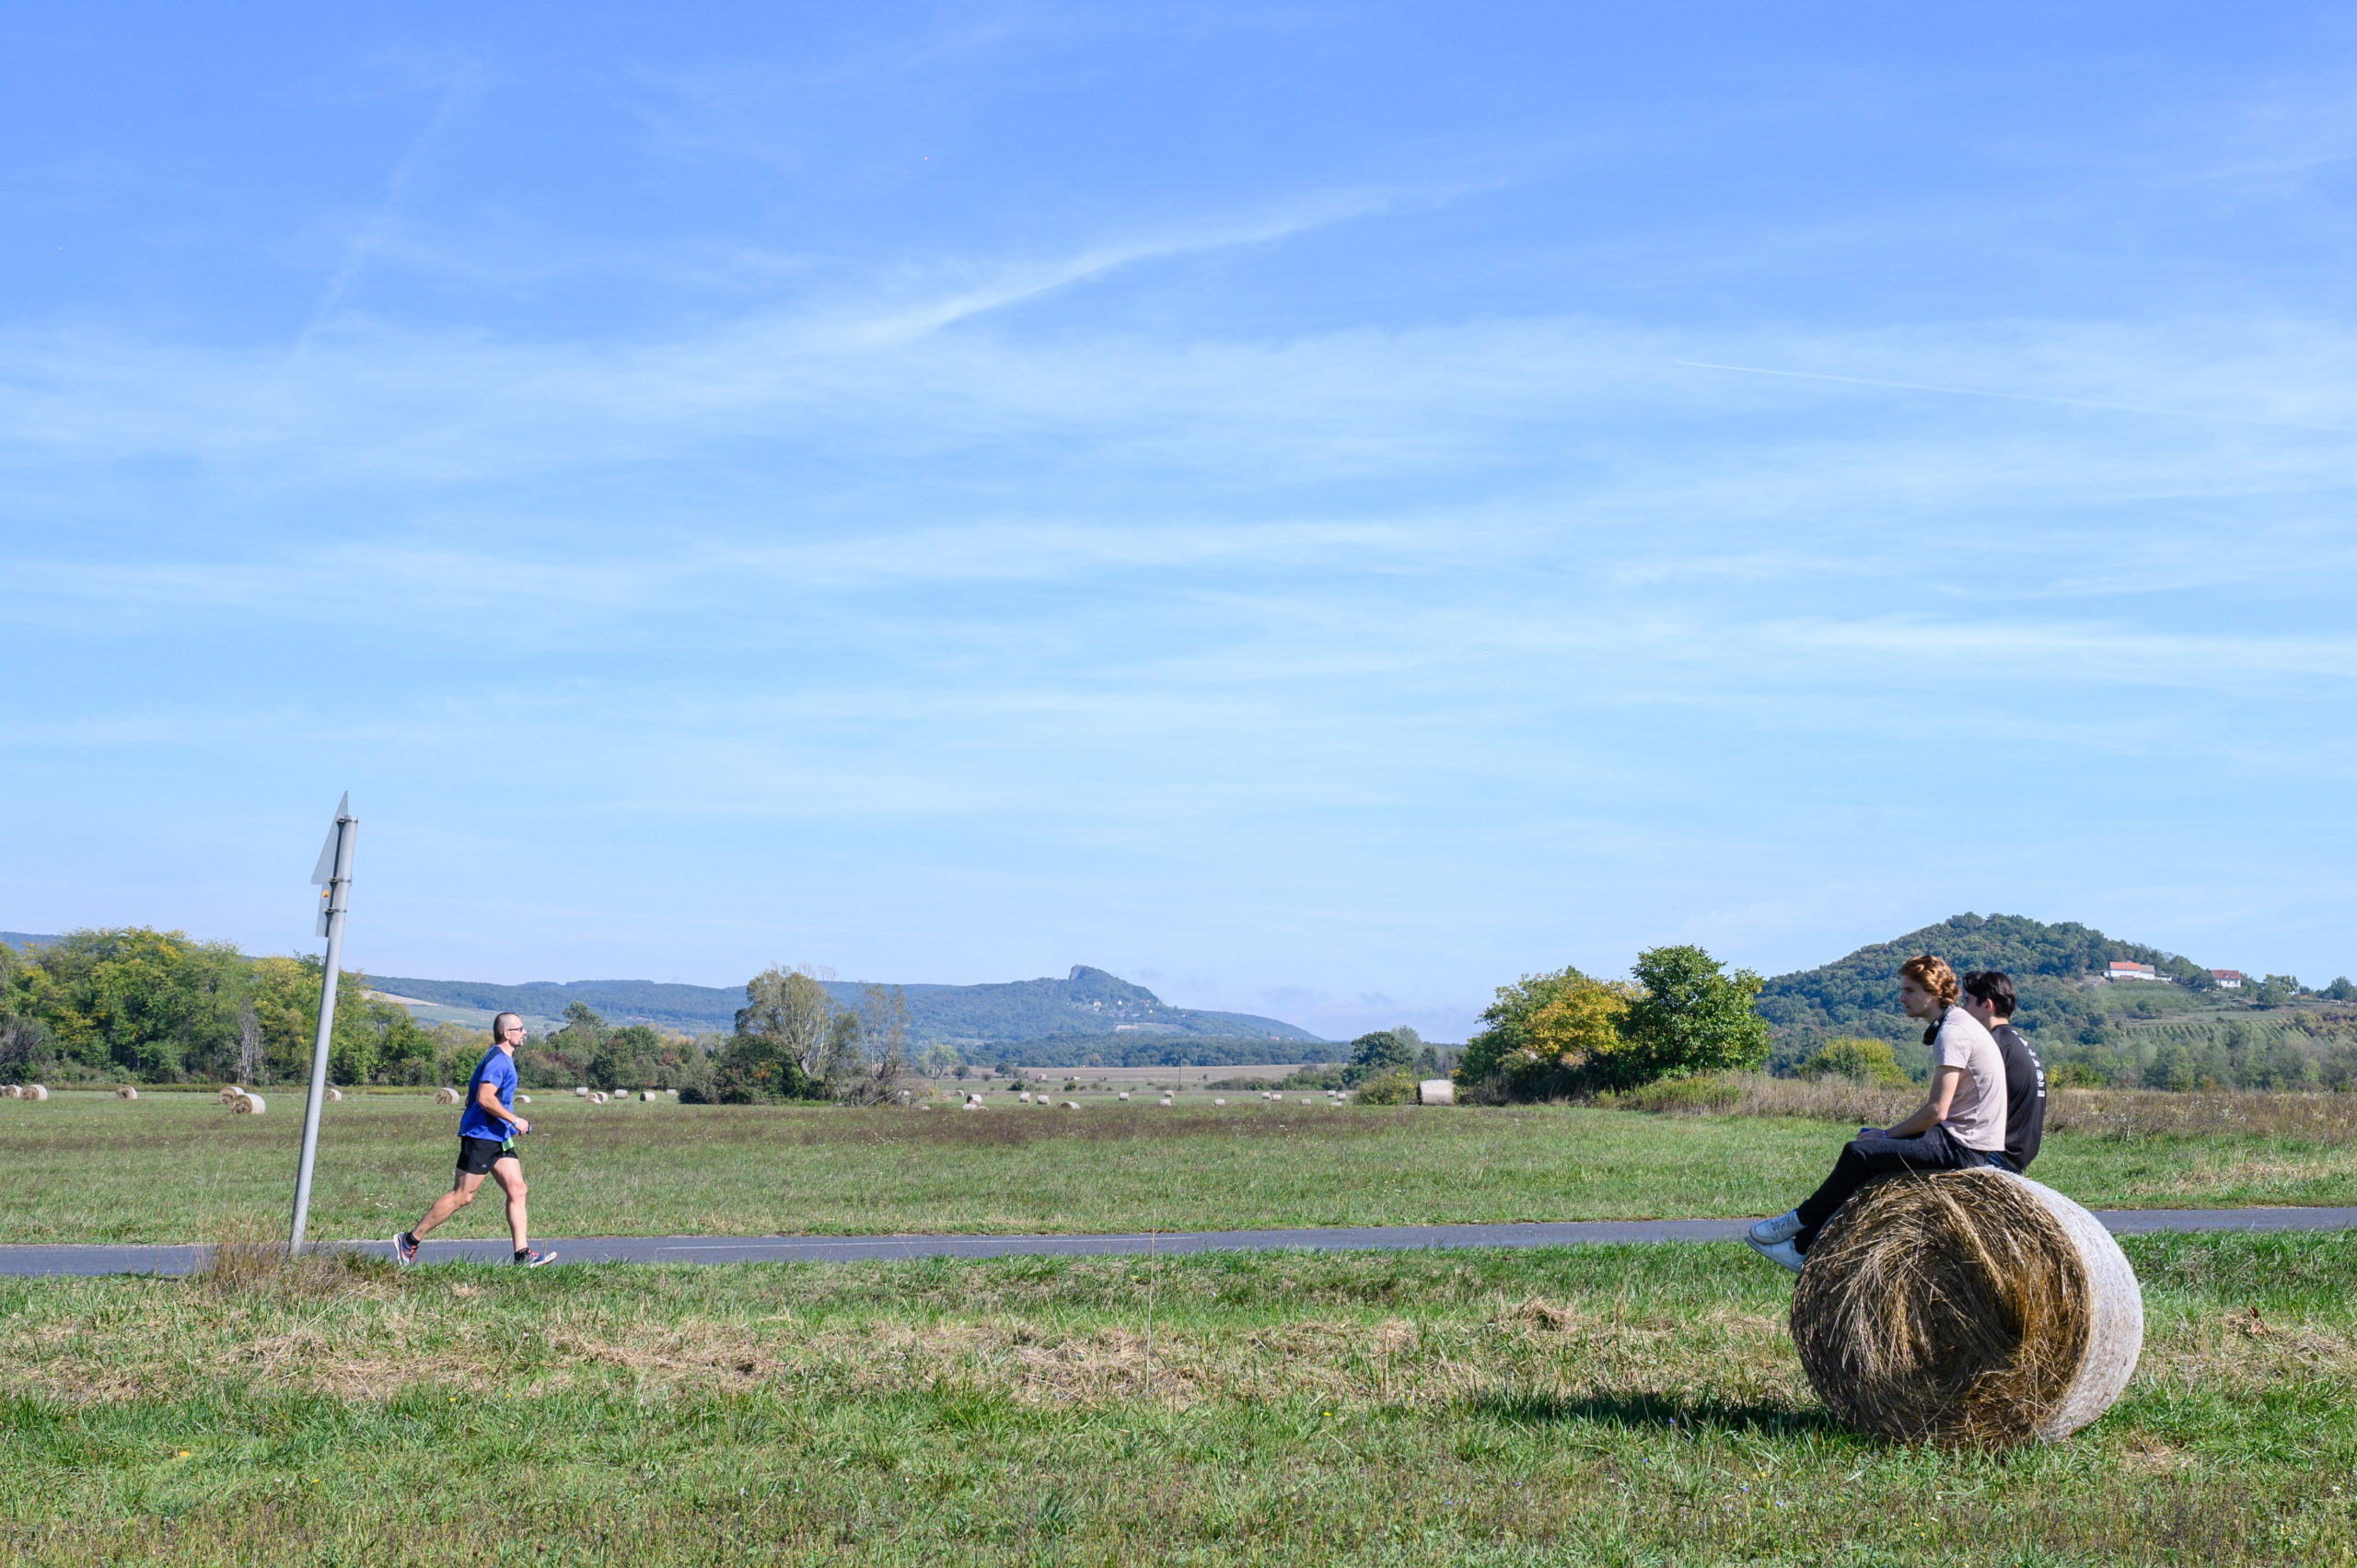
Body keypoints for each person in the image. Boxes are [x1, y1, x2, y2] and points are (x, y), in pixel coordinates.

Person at [1746, 954, 2009, 1272]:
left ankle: (1796, 1226)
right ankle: (1805, 1246)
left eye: (1910, 991)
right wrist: (1883, 1138)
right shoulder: (1957, 1024)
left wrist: (1884, 1135)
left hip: (1963, 1147)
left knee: (1858, 1153)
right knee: (1869, 1150)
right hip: (1964, 1140)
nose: (1902, 997)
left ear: (1935, 992)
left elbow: (1937, 1110)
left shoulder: (1953, 1033)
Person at [392, 1012, 555, 1266]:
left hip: (498, 1136)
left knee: (517, 1189)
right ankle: (410, 1240)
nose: (524, 1032)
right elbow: (485, 1098)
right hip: (481, 1135)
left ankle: (522, 1255)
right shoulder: (498, 1062)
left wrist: (508, 1126)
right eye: (520, 1028)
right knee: (463, 1196)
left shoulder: (502, 1059)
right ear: (506, 1033)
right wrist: (514, 1120)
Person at [1962, 969, 2046, 1175]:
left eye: (1967, 1001)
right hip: (2018, 1153)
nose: (1962, 1009)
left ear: (1987, 1005)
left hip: (1996, 1155)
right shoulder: (2018, 1043)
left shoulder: (1992, 1047)